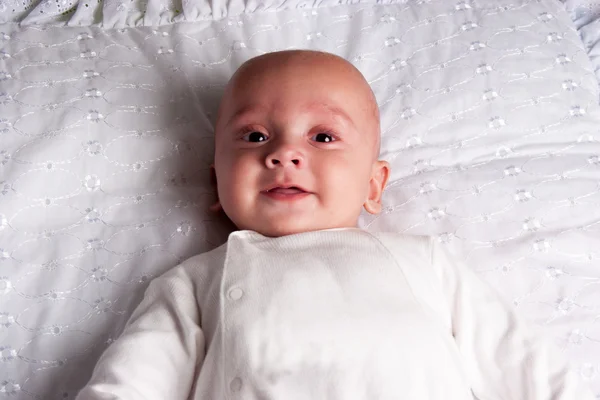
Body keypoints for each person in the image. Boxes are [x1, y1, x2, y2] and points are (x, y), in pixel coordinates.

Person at [76, 50, 595, 399]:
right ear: (216, 184)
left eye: (322, 137)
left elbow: (520, 362)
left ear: (374, 185)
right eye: (254, 136)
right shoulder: (194, 282)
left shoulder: (424, 262)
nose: (283, 153)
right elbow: (132, 382)